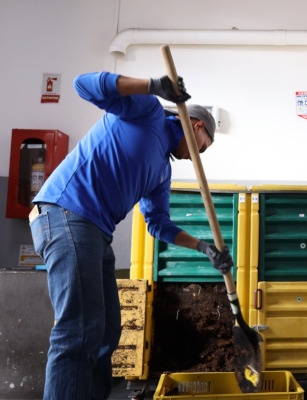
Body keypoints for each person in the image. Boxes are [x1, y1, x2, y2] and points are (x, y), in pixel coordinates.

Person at [29, 71, 233, 400]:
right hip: (67, 213)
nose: (199, 156)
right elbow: (84, 85)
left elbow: (157, 223)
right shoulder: (148, 111)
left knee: (108, 332)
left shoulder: (162, 170)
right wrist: (151, 85)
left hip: (95, 232)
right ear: (197, 127)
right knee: (78, 331)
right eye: (204, 148)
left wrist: (204, 247)